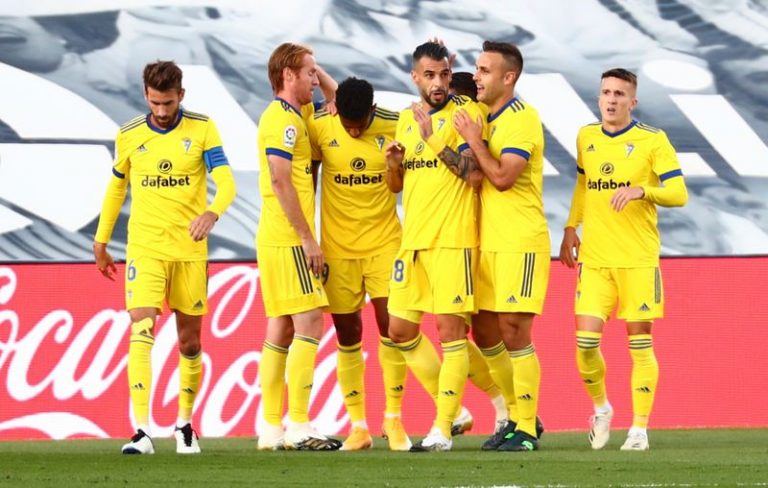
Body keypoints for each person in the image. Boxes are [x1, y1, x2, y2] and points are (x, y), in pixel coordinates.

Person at [308, 76, 503, 450]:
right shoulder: (321, 125)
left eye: (359, 124)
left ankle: (395, 420)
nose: (353, 130)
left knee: (394, 331)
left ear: (371, 111)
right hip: (338, 248)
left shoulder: (397, 121)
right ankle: (359, 426)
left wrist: (445, 74)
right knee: (350, 337)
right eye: (347, 125)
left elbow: (443, 146)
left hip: (390, 244)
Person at [93, 60, 237, 454]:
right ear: (146, 96)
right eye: (155, 102)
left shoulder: (202, 128)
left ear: (181, 96)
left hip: (190, 251)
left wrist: (212, 212)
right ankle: (141, 431)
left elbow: (226, 183)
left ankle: (184, 425)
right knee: (141, 330)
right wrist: (101, 241)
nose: (161, 111)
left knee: (189, 342)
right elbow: (116, 191)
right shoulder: (128, 135)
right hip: (146, 248)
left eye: (168, 103)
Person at [559, 68, 688, 451]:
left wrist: (643, 191)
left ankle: (639, 428)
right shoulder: (586, 136)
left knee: (639, 344)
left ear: (633, 102)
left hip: (637, 259)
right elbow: (584, 184)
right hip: (596, 259)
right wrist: (570, 226)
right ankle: (601, 409)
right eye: (606, 93)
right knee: (584, 343)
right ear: (599, 98)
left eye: (619, 94)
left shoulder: (653, 140)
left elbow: (679, 193)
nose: (611, 100)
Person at [385, 41, 485, 452]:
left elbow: (475, 175)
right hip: (414, 243)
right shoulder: (407, 120)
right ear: (415, 77)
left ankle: (442, 428)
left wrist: (433, 141)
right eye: (430, 75)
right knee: (400, 330)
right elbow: (398, 186)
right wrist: (393, 164)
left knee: (450, 333)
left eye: (444, 74)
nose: (439, 82)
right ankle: (461, 411)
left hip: (452, 241)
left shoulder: (466, 115)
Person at [454, 41, 549, 452]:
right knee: (486, 330)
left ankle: (526, 428)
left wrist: (475, 141)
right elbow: (475, 178)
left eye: (485, 70)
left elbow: (503, 177)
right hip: (489, 242)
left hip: (520, 241)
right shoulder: (485, 116)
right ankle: (516, 415)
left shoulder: (521, 118)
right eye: (476, 69)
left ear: (508, 77)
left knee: (514, 331)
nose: (477, 76)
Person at [255, 42, 341, 451]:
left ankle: (271, 428)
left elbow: (335, 96)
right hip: (289, 238)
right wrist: (308, 238)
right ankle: (300, 425)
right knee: (309, 323)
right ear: (288, 76)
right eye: (308, 72)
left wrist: (312, 66)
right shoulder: (283, 122)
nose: (315, 78)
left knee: (281, 328)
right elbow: (280, 180)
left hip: (274, 236)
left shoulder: (295, 114)